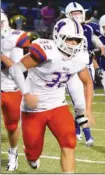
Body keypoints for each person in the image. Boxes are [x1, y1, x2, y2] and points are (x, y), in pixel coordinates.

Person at [8, 18, 95, 172]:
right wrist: (26, 93)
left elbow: (87, 82)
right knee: (33, 154)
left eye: (77, 40)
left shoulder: (80, 57)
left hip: (57, 106)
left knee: (69, 142)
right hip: (34, 109)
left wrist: (88, 109)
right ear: (59, 37)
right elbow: (15, 69)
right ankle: (31, 156)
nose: (73, 44)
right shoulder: (46, 50)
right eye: (70, 39)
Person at [64, 1, 105, 146]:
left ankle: (76, 129)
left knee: (84, 101)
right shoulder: (64, 30)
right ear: (68, 15)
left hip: (87, 67)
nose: (77, 16)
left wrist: (97, 54)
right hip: (72, 68)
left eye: (79, 13)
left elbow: (100, 45)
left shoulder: (88, 29)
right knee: (79, 102)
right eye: (74, 13)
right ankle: (88, 135)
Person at [0, 10, 31, 171]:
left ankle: (13, 153)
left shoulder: (15, 37)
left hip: (11, 88)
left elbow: (17, 68)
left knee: (12, 126)